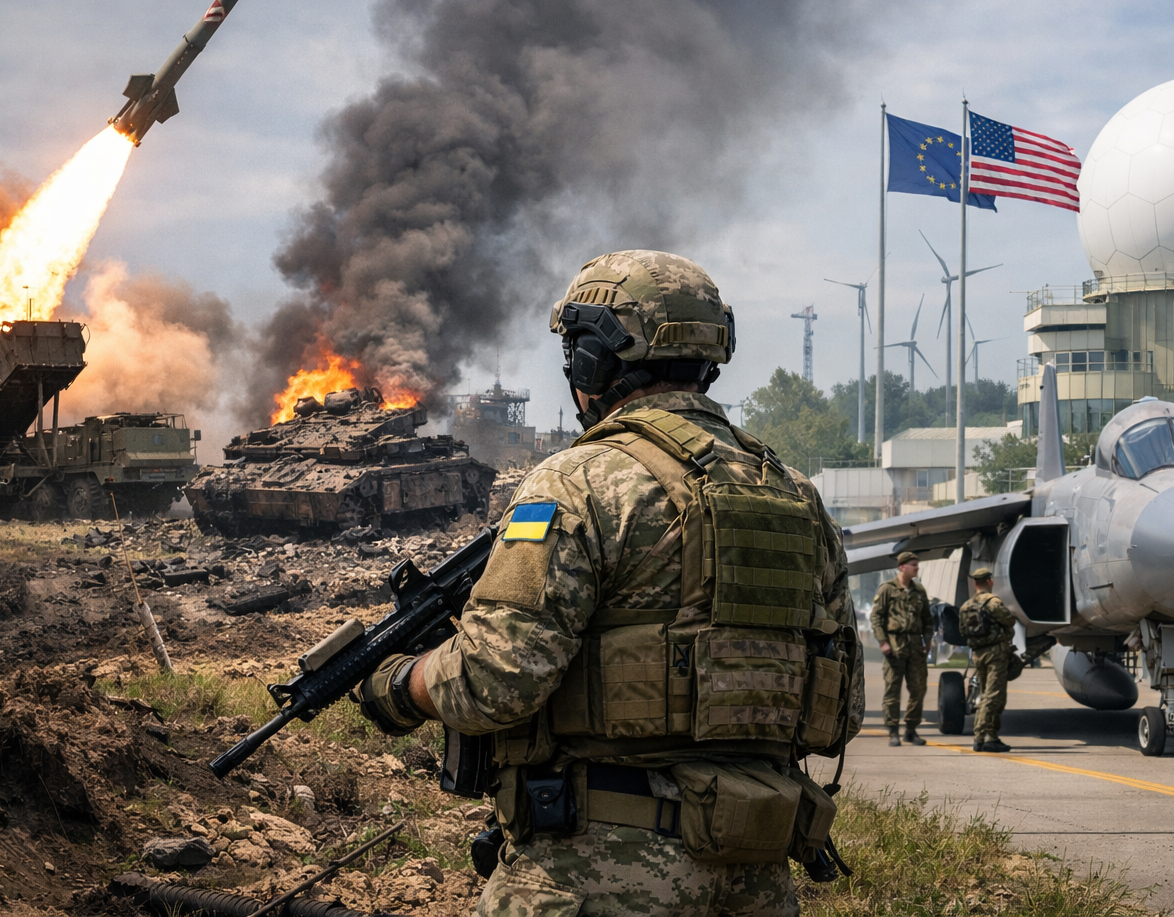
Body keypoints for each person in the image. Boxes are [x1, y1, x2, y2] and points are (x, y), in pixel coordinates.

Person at [356, 250, 864, 917]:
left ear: (594, 359)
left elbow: (496, 677)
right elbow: (843, 707)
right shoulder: (796, 495)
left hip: (597, 874)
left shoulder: (578, 480)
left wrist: (400, 683)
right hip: (756, 875)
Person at [871, 551, 932, 746]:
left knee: (918, 689)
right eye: (913, 564)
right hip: (895, 645)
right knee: (893, 690)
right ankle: (893, 731)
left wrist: (928, 639)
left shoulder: (919, 590)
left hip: (915, 646)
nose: (917, 567)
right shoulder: (887, 589)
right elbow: (876, 617)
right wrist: (883, 641)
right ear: (902, 567)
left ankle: (911, 729)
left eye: (917, 564)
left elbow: (927, 618)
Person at [959, 567, 1017, 753]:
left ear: (975, 583)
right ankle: (980, 736)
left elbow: (962, 630)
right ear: (990, 581)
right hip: (995, 654)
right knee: (993, 695)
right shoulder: (993, 603)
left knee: (987, 694)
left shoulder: (966, 606)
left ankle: (991, 736)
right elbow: (1009, 620)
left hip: (978, 654)